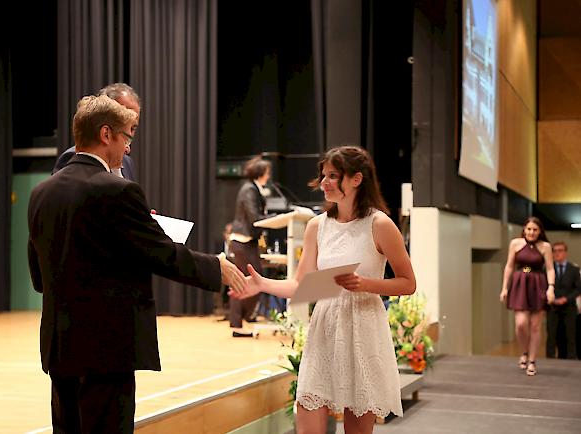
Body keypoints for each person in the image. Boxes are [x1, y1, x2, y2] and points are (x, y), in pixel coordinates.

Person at [27, 95, 247, 433]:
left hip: (60, 343)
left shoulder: (42, 192)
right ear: (106, 134)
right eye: (127, 136)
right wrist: (215, 267)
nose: (128, 148)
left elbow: (38, 273)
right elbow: (160, 252)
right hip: (106, 345)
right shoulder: (118, 191)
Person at [231, 145, 416, 434]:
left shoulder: (379, 224)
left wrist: (367, 284)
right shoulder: (317, 226)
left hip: (363, 329)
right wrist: (262, 285)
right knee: (307, 416)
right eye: (323, 176)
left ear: (357, 179)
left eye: (333, 176)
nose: (324, 183)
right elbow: (302, 285)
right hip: (325, 328)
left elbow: (408, 283)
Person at [500, 217, 555, 376]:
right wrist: (504, 288)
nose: (531, 232)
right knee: (521, 324)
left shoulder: (545, 246)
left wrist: (550, 288)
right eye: (529, 229)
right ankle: (524, 351)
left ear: (540, 231)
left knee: (536, 327)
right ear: (524, 229)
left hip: (538, 283)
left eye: (535, 230)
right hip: (520, 283)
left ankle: (532, 360)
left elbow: (550, 269)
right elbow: (509, 266)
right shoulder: (515, 244)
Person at [53, 82, 139, 180]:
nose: (129, 136)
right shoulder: (73, 157)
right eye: (124, 128)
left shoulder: (127, 162)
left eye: (133, 128)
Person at [228, 156, 272, 337]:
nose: (269, 176)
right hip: (242, 241)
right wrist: (275, 220)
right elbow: (254, 218)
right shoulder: (249, 190)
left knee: (252, 280)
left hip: (248, 242)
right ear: (261, 173)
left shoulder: (254, 189)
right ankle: (237, 324)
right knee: (244, 281)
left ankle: (241, 320)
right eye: (268, 173)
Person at [546, 241, 580, 359]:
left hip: (569, 307)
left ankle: (572, 360)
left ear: (565, 252)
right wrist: (525, 269)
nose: (557, 253)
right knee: (551, 336)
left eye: (560, 251)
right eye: (554, 251)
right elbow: (528, 269)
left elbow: (578, 289)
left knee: (570, 336)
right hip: (552, 307)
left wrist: (566, 299)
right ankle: (550, 360)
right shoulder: (548, 268)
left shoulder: (574, 269)